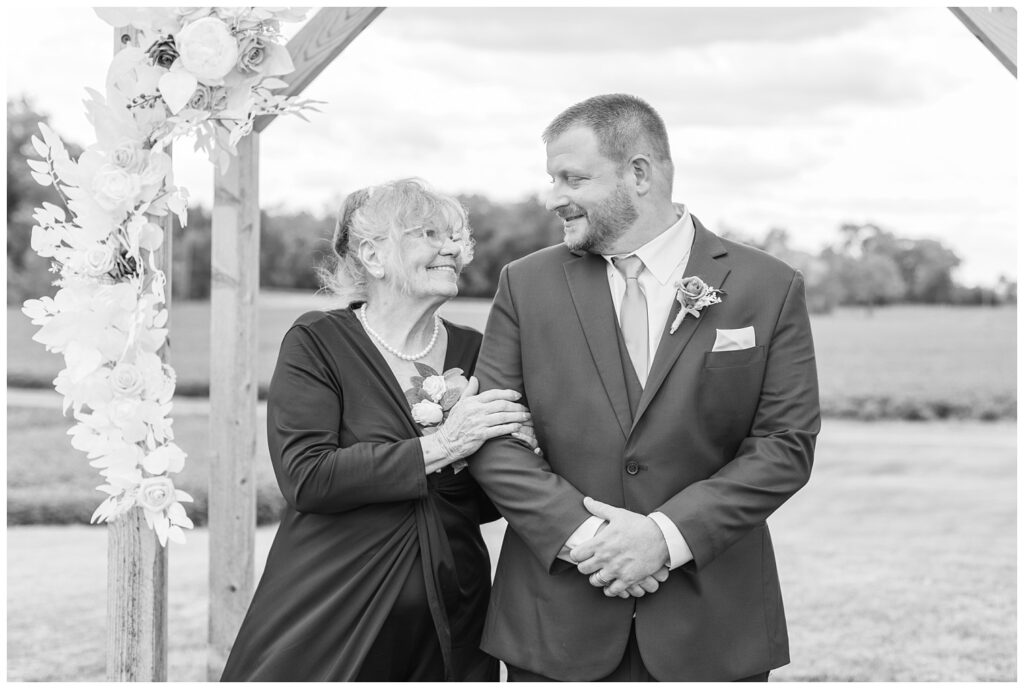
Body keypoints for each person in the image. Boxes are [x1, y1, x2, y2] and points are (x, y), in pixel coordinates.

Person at [469, 94, 821, 681]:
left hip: (712, 628)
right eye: (552, 178)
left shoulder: (769, 286)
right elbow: (493, 436)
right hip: (558, 623)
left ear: (639, 173)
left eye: (573, 177)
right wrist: (588, 539)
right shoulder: (524, 284)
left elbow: (784, 445)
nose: (555, 197)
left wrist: (666, 536)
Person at [220, 178, 535, 681]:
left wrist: (519, 446)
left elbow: (483, 503)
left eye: (456, 237)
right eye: (429, 234)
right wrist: (446, 445)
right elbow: (307, 478)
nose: (452, 248)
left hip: (450, 609)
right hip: (333, 605)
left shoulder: (476, 352)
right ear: (372, 254)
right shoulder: (318, 342)